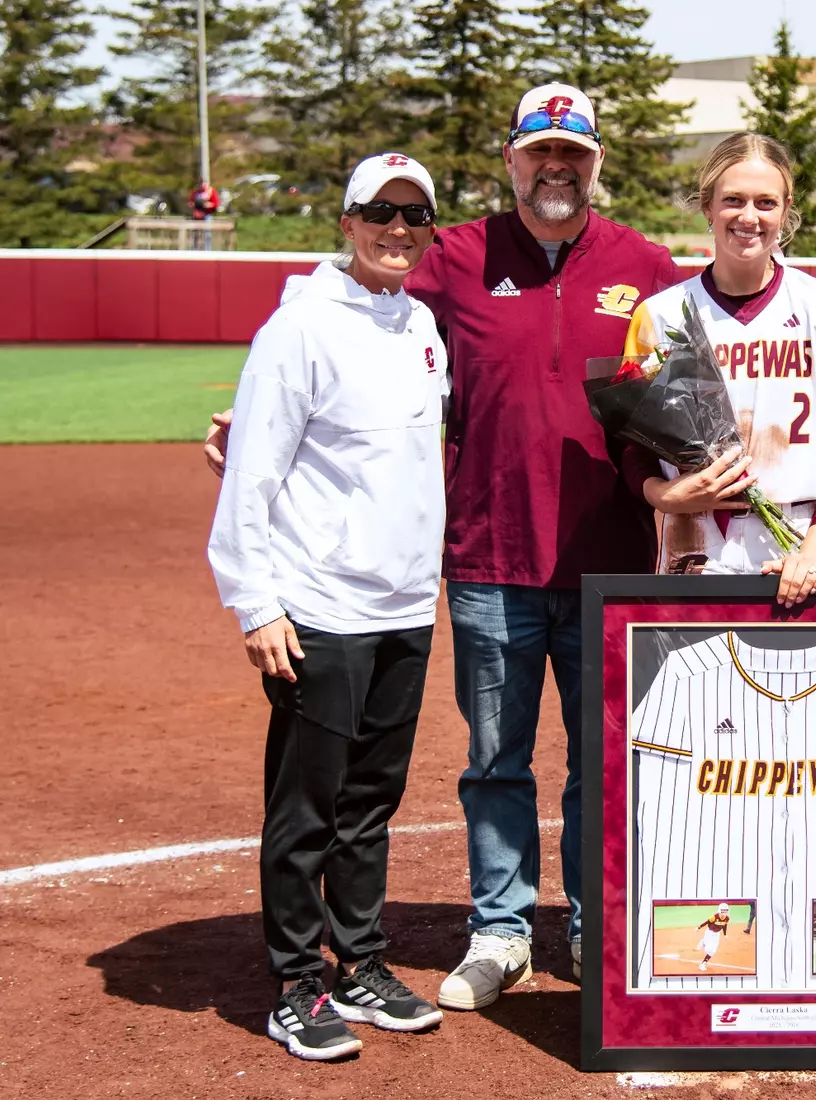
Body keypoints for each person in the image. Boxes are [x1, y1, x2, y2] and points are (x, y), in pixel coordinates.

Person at [207, 83, 683, 1009]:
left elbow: (691, 388)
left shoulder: (648, 266)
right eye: (540, 152)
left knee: (603, 760)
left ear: (596, 164)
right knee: (496, 763)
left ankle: (591, 926)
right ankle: (502, 932)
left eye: (574, 155)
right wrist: (256, 401)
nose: (557, 168)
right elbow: (344, 298)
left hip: (608, 564)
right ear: (511, 160)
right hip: (488, 561)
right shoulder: (452, 256)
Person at [206, 153, 447, 1060]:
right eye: (378, 213)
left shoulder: (421, 322)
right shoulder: (298, 330)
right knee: (307, 803)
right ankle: (297, 984)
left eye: (414, 217)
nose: (396, 230)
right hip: (319, 606)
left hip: (403, 604)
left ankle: (361, 964)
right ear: (345, 221)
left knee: (371, 802)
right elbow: (251, 478)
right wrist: (258, 604)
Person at [622, 132, 816, 601]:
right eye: (733, 200)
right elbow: (634, 447)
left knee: (798, 675)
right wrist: (659, 494)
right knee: (695, 675)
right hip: (693, 539)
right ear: (707, 207)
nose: (749, 216)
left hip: (797, 541)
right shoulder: (658, 315)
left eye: (765, 202)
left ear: (785, 209)